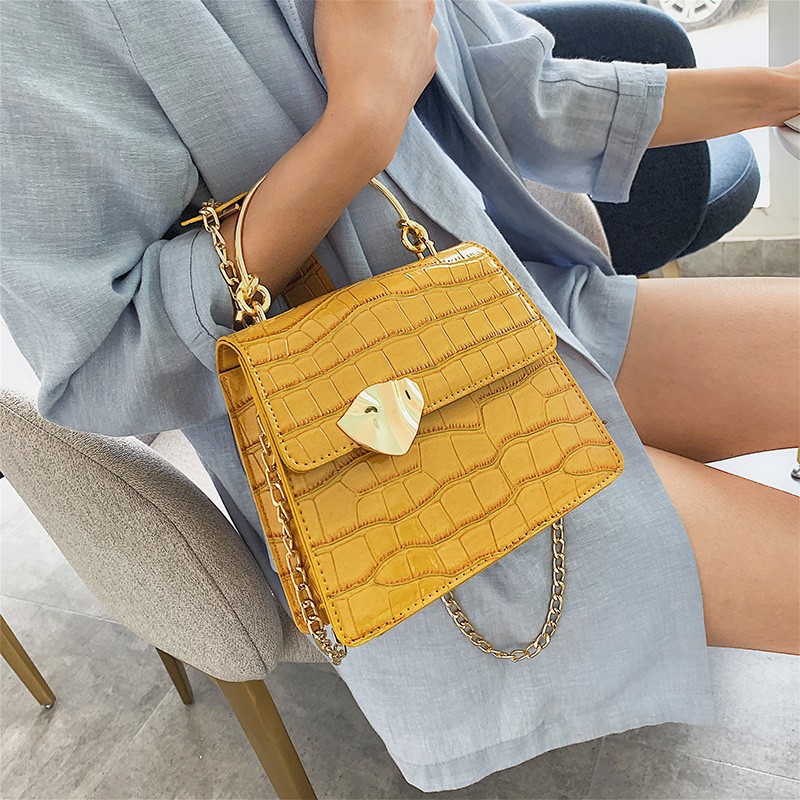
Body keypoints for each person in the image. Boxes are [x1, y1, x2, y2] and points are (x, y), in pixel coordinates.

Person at [1, 0, 797, 792]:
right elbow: (108, 358)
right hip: (373, 450)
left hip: (509, 313)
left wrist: (781, 91)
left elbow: (531, 97)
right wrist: (361, 125)